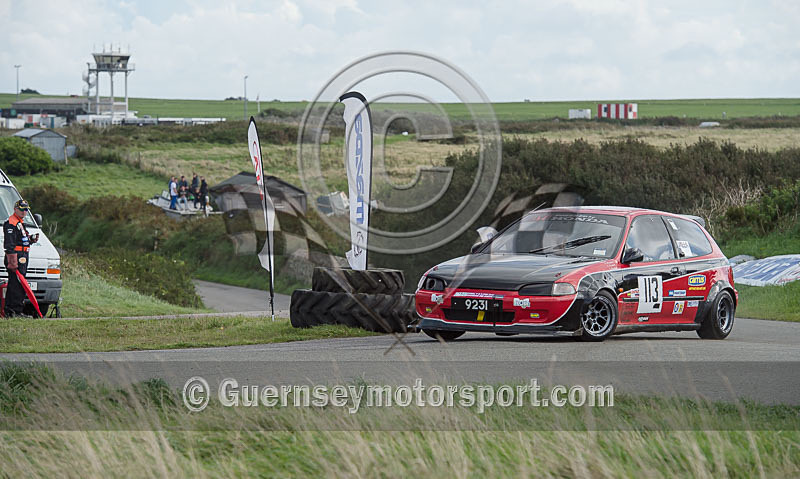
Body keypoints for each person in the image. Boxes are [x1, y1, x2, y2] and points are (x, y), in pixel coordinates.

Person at [4, 199, 39, 318]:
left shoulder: (20, 222)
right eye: (22, 209)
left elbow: (22, 239)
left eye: (26, 210)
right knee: (16, 284)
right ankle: (13, 311)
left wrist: (31, 239)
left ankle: (15, 310)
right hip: (16, 257)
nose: (24, 212)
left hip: (22, 255)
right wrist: (12, 260)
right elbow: (9, 244)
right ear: (15, 209)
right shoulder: (11, 222)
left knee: (19, 283)